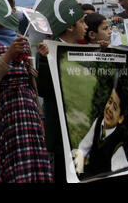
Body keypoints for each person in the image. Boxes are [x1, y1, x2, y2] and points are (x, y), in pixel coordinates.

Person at [0, 0, 53, 183]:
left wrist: (43, 58)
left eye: (3, 7)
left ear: (13, 12)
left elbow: (32, 82)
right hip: (1, 117)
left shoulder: (23, 41)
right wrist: (7, 56)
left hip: (28, 116)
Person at [36, 10, 88, 183]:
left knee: (80, 172)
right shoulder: (48, 50)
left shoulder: (84, 50)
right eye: (82, 22)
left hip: (81, 127)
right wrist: (43, 61)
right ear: (71, 27)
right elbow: (43, 89)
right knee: (64, 173)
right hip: (61, 129)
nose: (86, 27)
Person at [74, 76, 128, 178]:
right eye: (110, 101)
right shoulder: (99, 122)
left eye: (115, 107)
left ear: (121, 118)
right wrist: (78, 173)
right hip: (88, 175)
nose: (109, 108)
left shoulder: (118, 148)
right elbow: (83, 148)